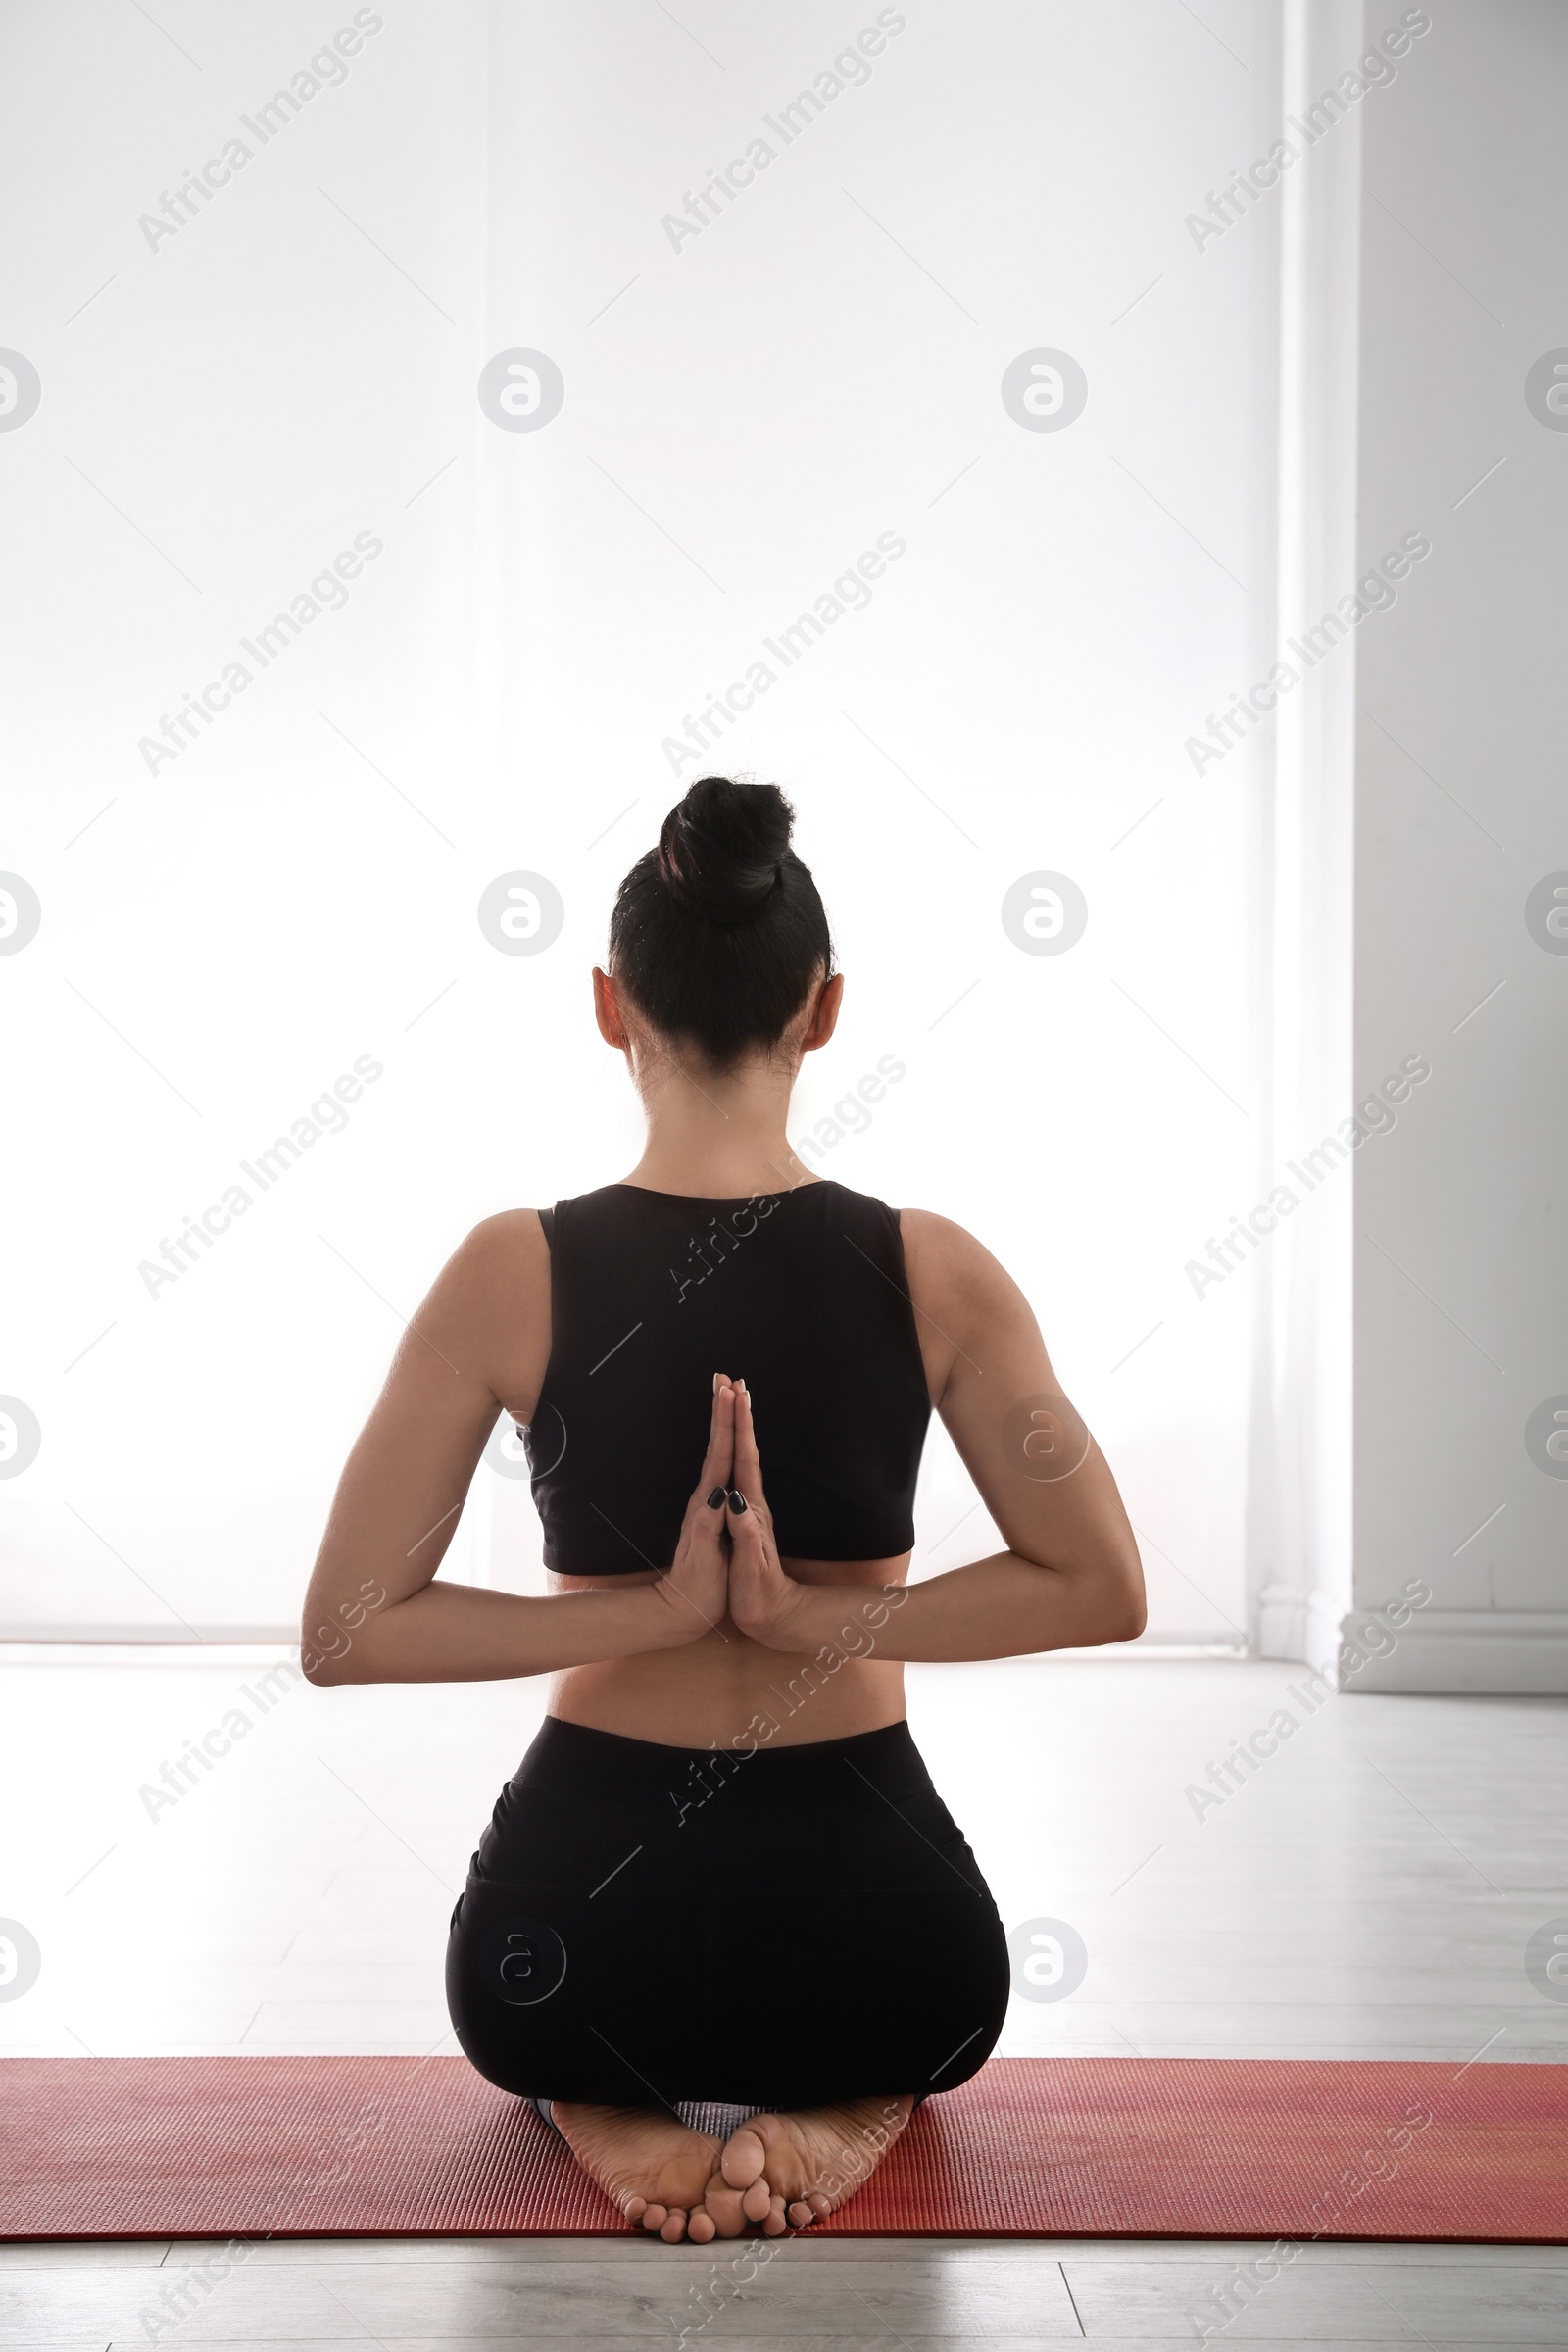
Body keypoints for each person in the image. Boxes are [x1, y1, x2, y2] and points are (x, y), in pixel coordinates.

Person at [301, 776, 1145, 2242]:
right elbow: (1102, 1586)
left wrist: (649, 1609)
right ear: (823, 1010)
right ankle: (849, 2105)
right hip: (884, 1956)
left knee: (530, 2017)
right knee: (934, 2022)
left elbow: (343, 1632)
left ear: (609, 1005)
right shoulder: (933, 1266)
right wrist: (816, 1616)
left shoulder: (513, 1268)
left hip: (570, 1953)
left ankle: (606, 2108)